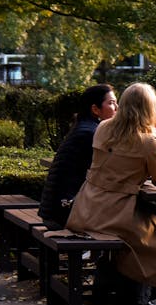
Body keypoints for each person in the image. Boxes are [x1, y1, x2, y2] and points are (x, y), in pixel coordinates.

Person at [66, 81, 156, 305]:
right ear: (150, 108)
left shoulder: (104, 128)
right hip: (116, 212)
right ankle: (150, 295)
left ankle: (116, 286)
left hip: (87, 207)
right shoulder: (147, 141)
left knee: (152, 233)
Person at [39, 83, 117, 227]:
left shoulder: (85, 127)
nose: (117, 108)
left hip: (55, 210)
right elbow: (112, 170)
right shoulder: (91, 134)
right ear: (95, 109)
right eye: (111, 103)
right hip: (63, 213)